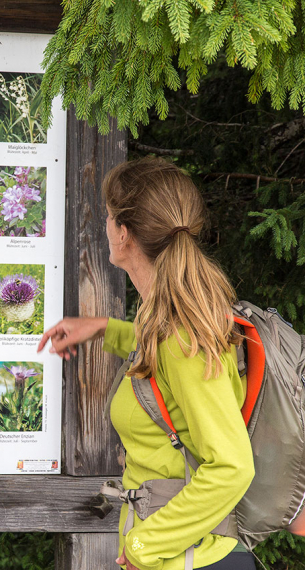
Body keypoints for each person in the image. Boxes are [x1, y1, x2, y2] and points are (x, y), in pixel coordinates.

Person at [38, 158, 256, 570]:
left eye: (107, 215)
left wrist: (143, 546)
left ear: (124, 235)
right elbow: (164, 362)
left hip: (192, 561)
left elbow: (232, 466)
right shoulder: (172, 326)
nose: (105, 224)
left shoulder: (182, 339)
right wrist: (105, 328)